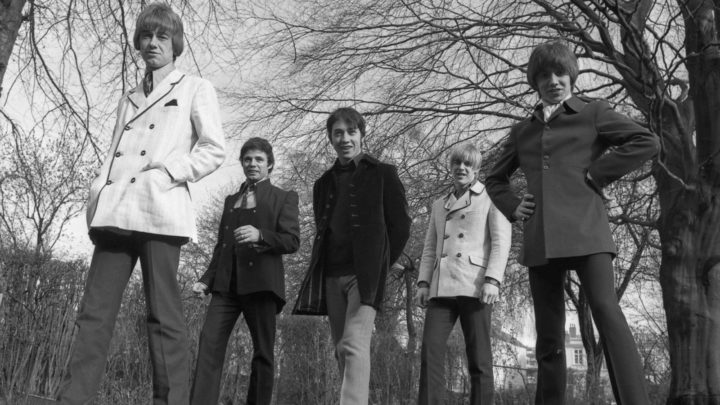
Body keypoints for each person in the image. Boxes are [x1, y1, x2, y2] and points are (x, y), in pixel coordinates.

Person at [57, 3, 225, 404]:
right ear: (138, 41)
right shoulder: (128, 96)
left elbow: (214, 149)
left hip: (161, 212)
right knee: (93, 316)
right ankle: (71, 399)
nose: (153, 43)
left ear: (175, 44)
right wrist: (97, 196)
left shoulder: (195, 88)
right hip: (116, 212)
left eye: (162, 37)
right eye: (147, 36)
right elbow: (113, 151)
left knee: (164, 318)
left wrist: (168, 173)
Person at [485, 40, 658, 405]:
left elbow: (645, 141)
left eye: (560, 73)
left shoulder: (592, 113)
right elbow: (494, 180)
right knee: (548, 336)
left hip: (587, 233)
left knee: (608, 317)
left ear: (572, 76)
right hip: (541, 239)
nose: (553, 81)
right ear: (535, 82)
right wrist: (514, 206)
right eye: (545, 75)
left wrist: (597, 175)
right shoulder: (522, 131)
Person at [293, 107, 411, 405]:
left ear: (361, 134)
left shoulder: (383, 173)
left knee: (353, 344)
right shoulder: (323, 184)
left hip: (365, 277)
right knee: (340, 349)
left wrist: (380, 264)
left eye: (351, 131)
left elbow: (401, 226)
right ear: (330, 139)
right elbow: (323, 228)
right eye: (338, 133)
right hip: (331, 275)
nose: (345, 138)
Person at [190, 137, 300, 405]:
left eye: (259, 159)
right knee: (208, 347)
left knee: (263, 353)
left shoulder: (283, 197)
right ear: (242, 163)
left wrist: (261, 235)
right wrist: (206, 280)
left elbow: (292, 241)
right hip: (226, 286)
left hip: (262, 285)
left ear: (269, 164)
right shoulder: (231, 201)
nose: (253, 164)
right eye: (248, 159)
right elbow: (221, 247)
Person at [415, 143, 511, 405]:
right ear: (451, 166)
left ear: (477, 169)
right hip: (440, 288)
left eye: (468, 164)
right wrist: (423, 282)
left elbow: (502, 242)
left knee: (479, 358)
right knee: (430, 353)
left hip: (475, 286)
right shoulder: (439, 205)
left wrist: (493, 280)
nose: (461, 168)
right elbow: (430, 247)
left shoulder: (492, 198)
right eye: (457, 163)